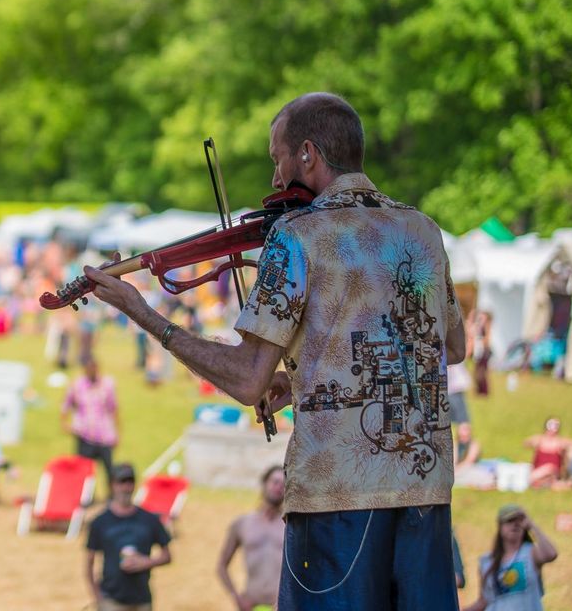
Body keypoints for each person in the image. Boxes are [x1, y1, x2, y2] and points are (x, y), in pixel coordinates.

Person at [83, 93, 466, 610]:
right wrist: (310, 378)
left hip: (337, 494)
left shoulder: (296, 235)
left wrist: (144, 313)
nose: (273, 178)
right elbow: (451, 348)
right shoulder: (421, 230)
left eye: (276, 158)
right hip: (425, 486)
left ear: (307, 154)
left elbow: (245, 381)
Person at [84, 462, 172, 611]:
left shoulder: (149, 520)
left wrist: (146, 562)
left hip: (142, 598)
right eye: (121, 482)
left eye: (130, 482)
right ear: (112, 485)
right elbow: (89, 564)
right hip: (111, 599)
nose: (126, 487)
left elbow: (167, 555)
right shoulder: (100, 522)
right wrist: (97, 597)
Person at [463, 505, 557, 611]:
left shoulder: (531, 552)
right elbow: (484, 601)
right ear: (500, 526)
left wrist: (531, 525)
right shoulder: (487, 561)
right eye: (510, 520)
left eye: (520, 521)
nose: (515, 524)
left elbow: (551, 554)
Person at [217, 465, 285, 611]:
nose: (279, 487)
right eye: (275, 482)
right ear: (265, 483)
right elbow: (222, 565)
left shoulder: (290, 528)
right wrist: (236, 597)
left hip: (281, 606)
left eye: (284, 484)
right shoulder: (242, 523)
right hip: (250, 605)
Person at [62, 356, 119, 495]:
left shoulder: (107, 385)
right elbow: (66, 405)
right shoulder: (77, 385)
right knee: (84, 469)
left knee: (109, 469)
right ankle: (84, 496)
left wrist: (117, 432)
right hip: (85, 435)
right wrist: (65, 423)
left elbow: (114, 408)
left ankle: (111, 497)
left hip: (104, 434)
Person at [525, 417, 572, 490]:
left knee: (550, 468)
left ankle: (531, 480)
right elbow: (526, 443)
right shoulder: (539, 439)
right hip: (538, 471)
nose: (552, 429)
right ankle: (536, 481)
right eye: (551, 425)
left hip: (552, 473)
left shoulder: (561, 442)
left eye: (555, 426)